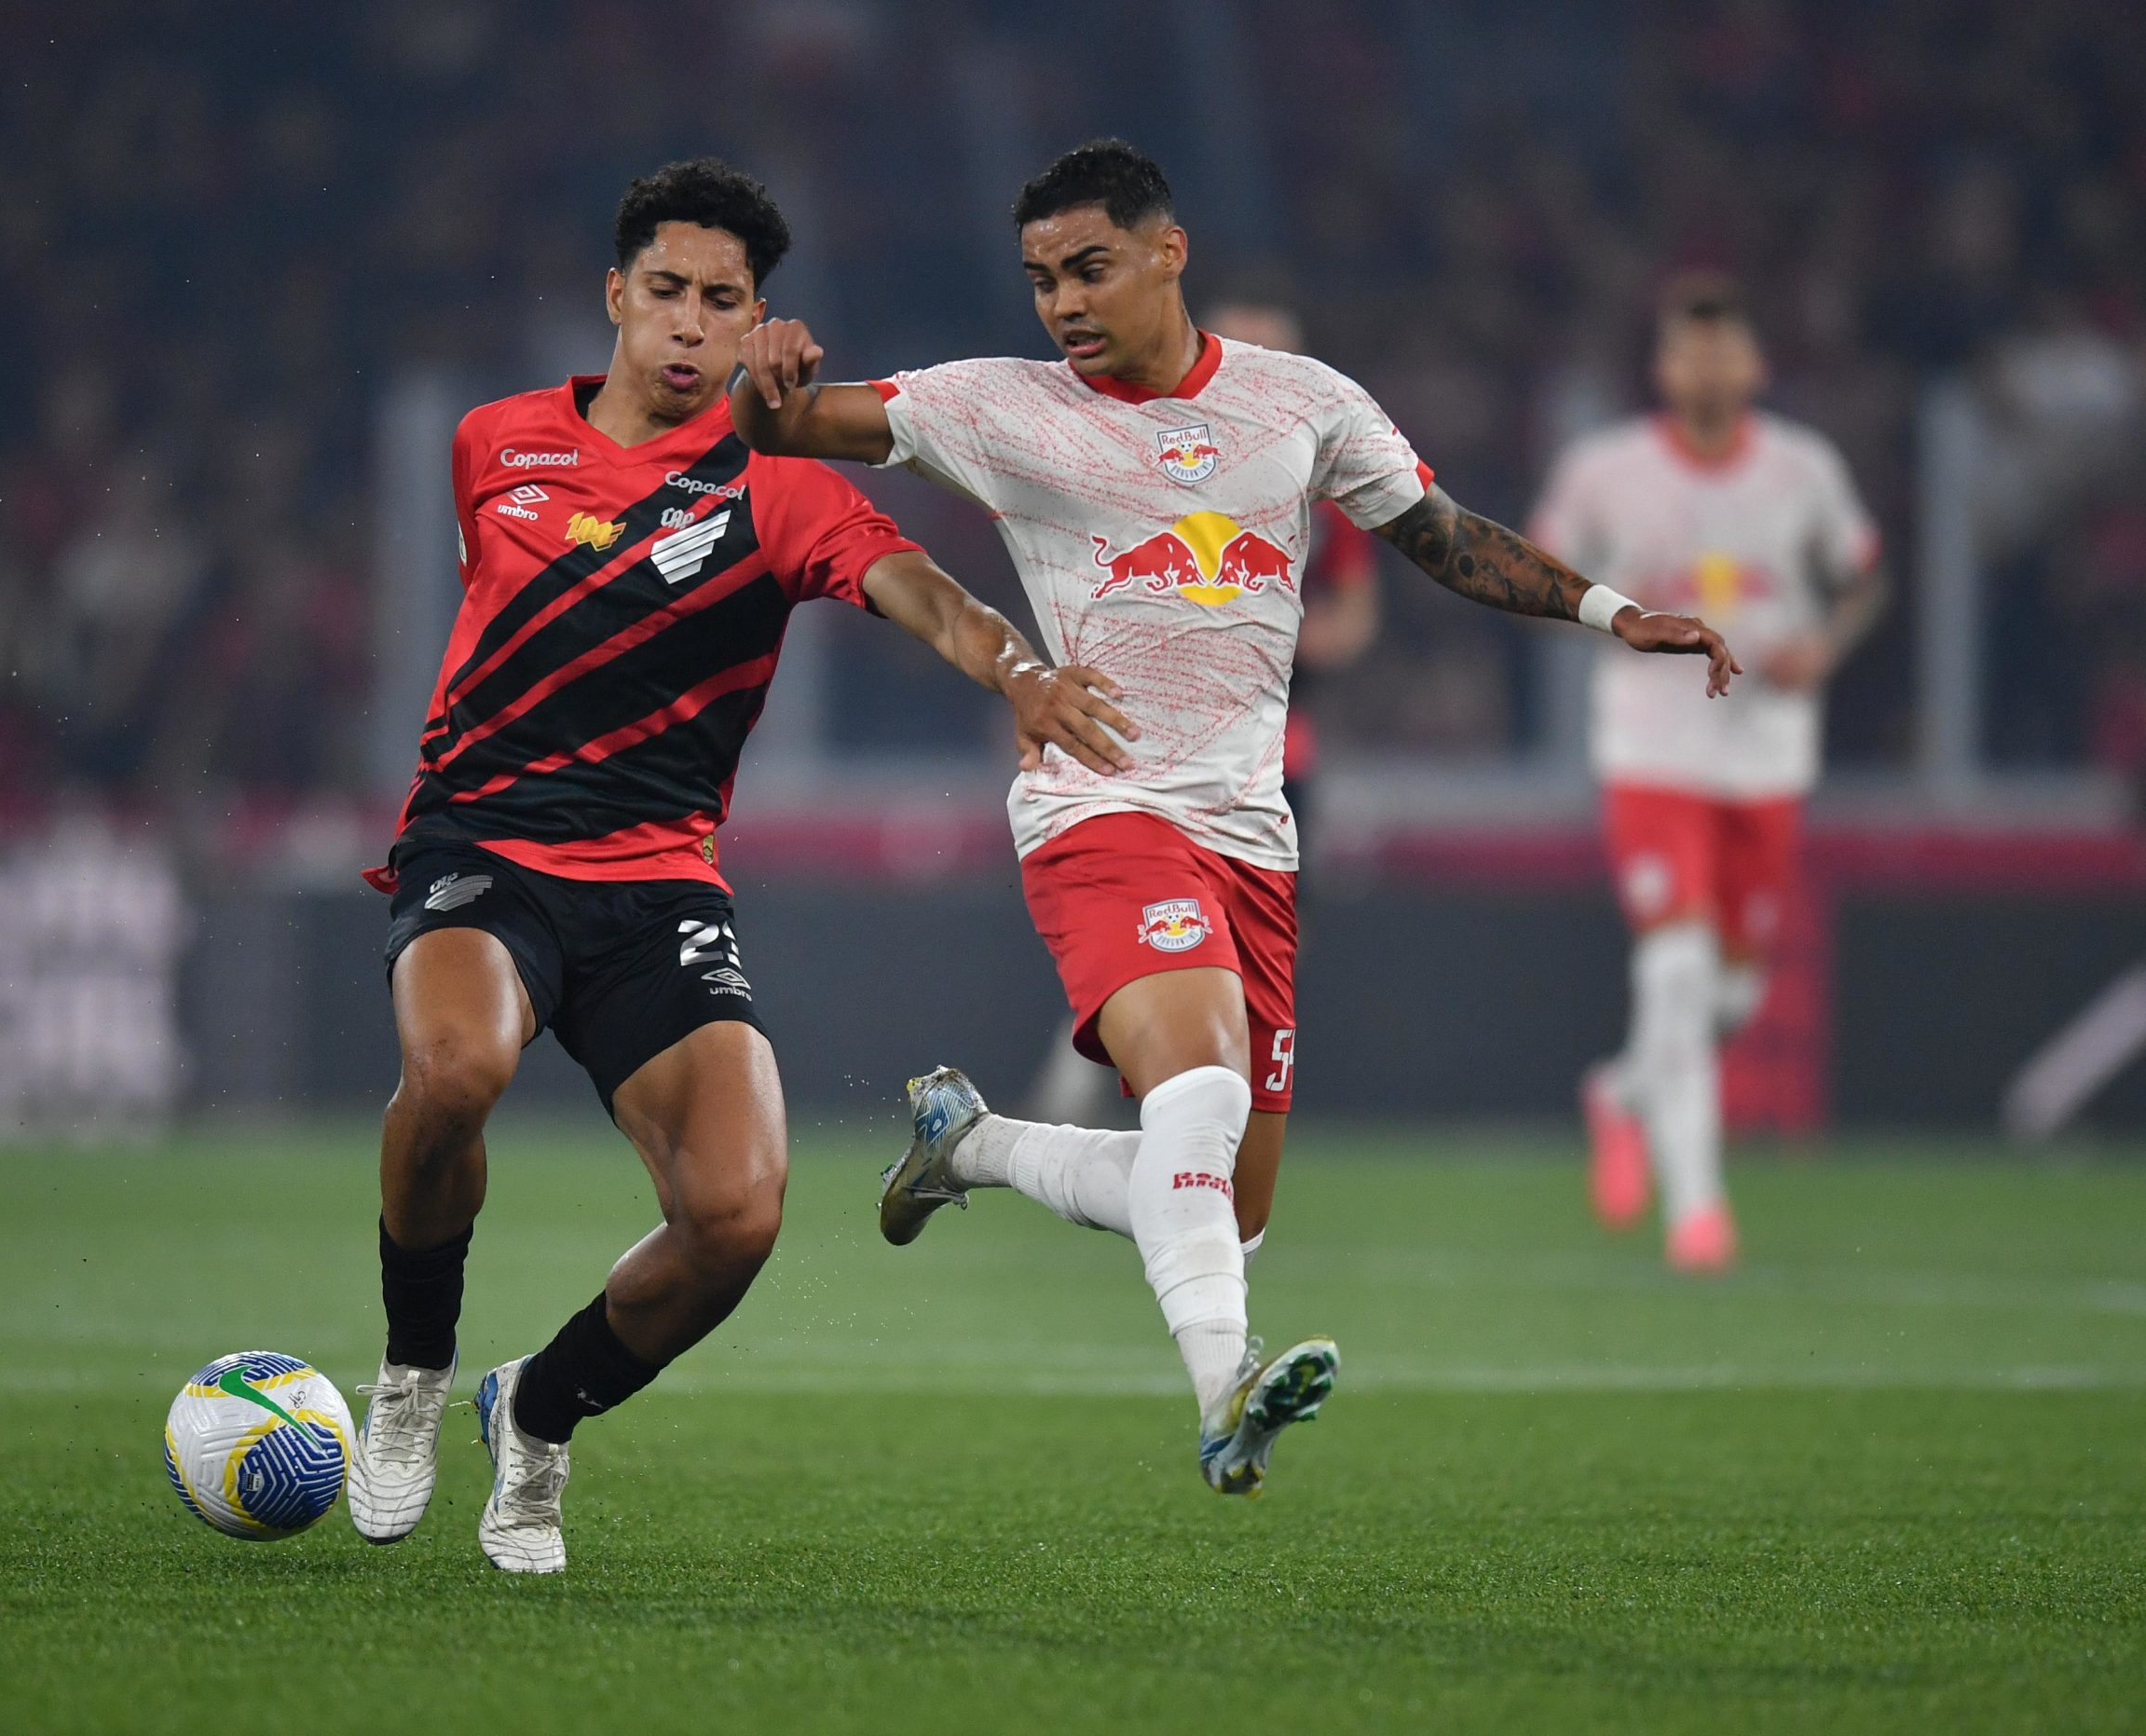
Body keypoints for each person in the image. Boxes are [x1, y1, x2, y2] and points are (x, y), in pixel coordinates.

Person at [731, 140, 1738, 1494]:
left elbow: (1442, 534)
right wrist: (762, 382)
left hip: (1250, 833)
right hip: (1101, 804)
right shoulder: (1001, 407)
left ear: (1168, 250)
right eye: (1041, 280)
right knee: (1196, 1085)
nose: (1065, 305)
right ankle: (1226, 1391)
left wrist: (1616, 614)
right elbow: (791, 428)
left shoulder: (1302, 405)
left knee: (1224, 1198)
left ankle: (971, 1142)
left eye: (1090, 268)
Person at [349, 158, 1127, 1574]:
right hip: (485, 847)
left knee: (735, 1213)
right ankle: (407, 1374)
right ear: (615, 298)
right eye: (666, 293)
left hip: (657, 885)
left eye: (723, 300)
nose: (691, 323)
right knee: (455, 1072)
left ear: (758, 316)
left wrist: (1014, 669)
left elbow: (925, 595)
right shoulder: (493, 445)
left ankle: (534, 1409)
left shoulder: (776, 488)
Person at [1532, 272, 1886, 1274]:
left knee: (1728, 996)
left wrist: (1824, 642)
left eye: (1723, 349)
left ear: (1754, 364)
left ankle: (1621, 1092)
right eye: (1688, 350)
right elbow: (1539, 573)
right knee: (1677, 971)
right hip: (1651, 751)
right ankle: (1698, 1209)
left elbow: (1861, 577)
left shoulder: (1802, 470)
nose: (1706, 367)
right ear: (1662, 366)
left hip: (1765, 758)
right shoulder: (1605, 470)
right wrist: (1612, 617)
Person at [1025, 289, 1378, 1125]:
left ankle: (1211, 1100)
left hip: (1277, 751)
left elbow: (1356, 617)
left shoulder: (1318, 480)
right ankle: (1128, 1084)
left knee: (1268, 938)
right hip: (1156, 746)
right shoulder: (1141, 461)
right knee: (1158, 921)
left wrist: (1274, 630)